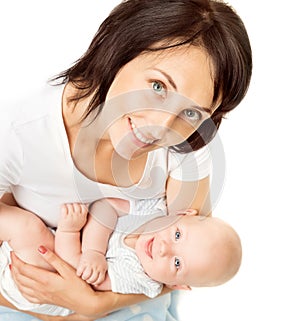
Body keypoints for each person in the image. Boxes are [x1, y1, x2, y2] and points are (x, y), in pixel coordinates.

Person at [0, 0, 252, 320]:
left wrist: (96, 305)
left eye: (190, 112)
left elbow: (188, 268)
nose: (161, 127)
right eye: (158, 86)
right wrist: (56, 313)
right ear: (118, 48)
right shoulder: (17, 132)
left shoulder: (184, 146)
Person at [0, 198, 242, 316]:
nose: (164, 249)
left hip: (38, 286)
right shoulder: (153, 210)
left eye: (177, 263)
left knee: (27, 228)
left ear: (176, 285)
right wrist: (94, 250)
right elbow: (106, 206)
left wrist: (70, 230)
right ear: (183, 214)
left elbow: (73, 271)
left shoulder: (138, 277)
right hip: (49, 247)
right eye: (177, 234)